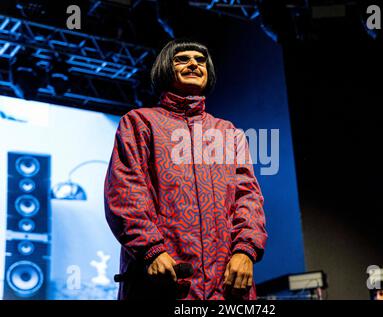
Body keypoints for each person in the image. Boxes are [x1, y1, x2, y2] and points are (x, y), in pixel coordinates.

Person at [104, 39, 268, 300]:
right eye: (182, 58)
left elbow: (248, 198)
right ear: (165, 69)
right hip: (162, 282)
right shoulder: (140, 123)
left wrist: (245, 251)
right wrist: (152, 250)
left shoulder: (228, 132)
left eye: (200, 60)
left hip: (225, 287)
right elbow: (125, 192)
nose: (193, 63)